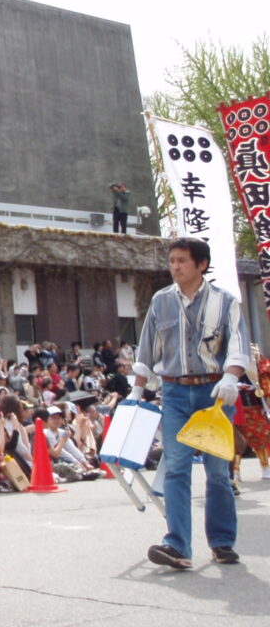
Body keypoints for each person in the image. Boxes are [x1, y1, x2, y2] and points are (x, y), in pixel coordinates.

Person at [130, 238, 250, 569]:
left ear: (202, 264)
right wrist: (136, 391)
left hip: (214, 393)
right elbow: (147, 348)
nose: (175, 266)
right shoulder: (161, 300)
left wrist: (230, 377)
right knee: (176, 468)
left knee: (218, 472)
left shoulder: (225, 301)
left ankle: (222, 542)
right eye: (172, 260)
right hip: (174, 392)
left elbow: (238, 346)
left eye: (182, 260)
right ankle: (177, 544)